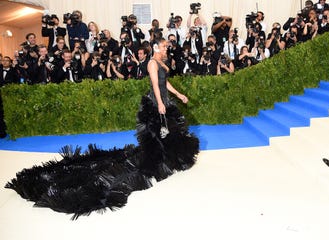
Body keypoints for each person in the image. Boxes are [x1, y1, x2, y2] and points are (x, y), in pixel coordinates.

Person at [5, 38, 199, 220]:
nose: (167, 49)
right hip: (156, 103)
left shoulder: (160, 63)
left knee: (170, 133)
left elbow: (166, 84)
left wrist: (179, 95)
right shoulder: (151, 63)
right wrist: (159, 103)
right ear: (156, 48)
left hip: (164, 101)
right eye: (164, 46)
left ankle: (165, 159)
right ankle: (157, 160)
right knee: (157, 136)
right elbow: (156, 85)